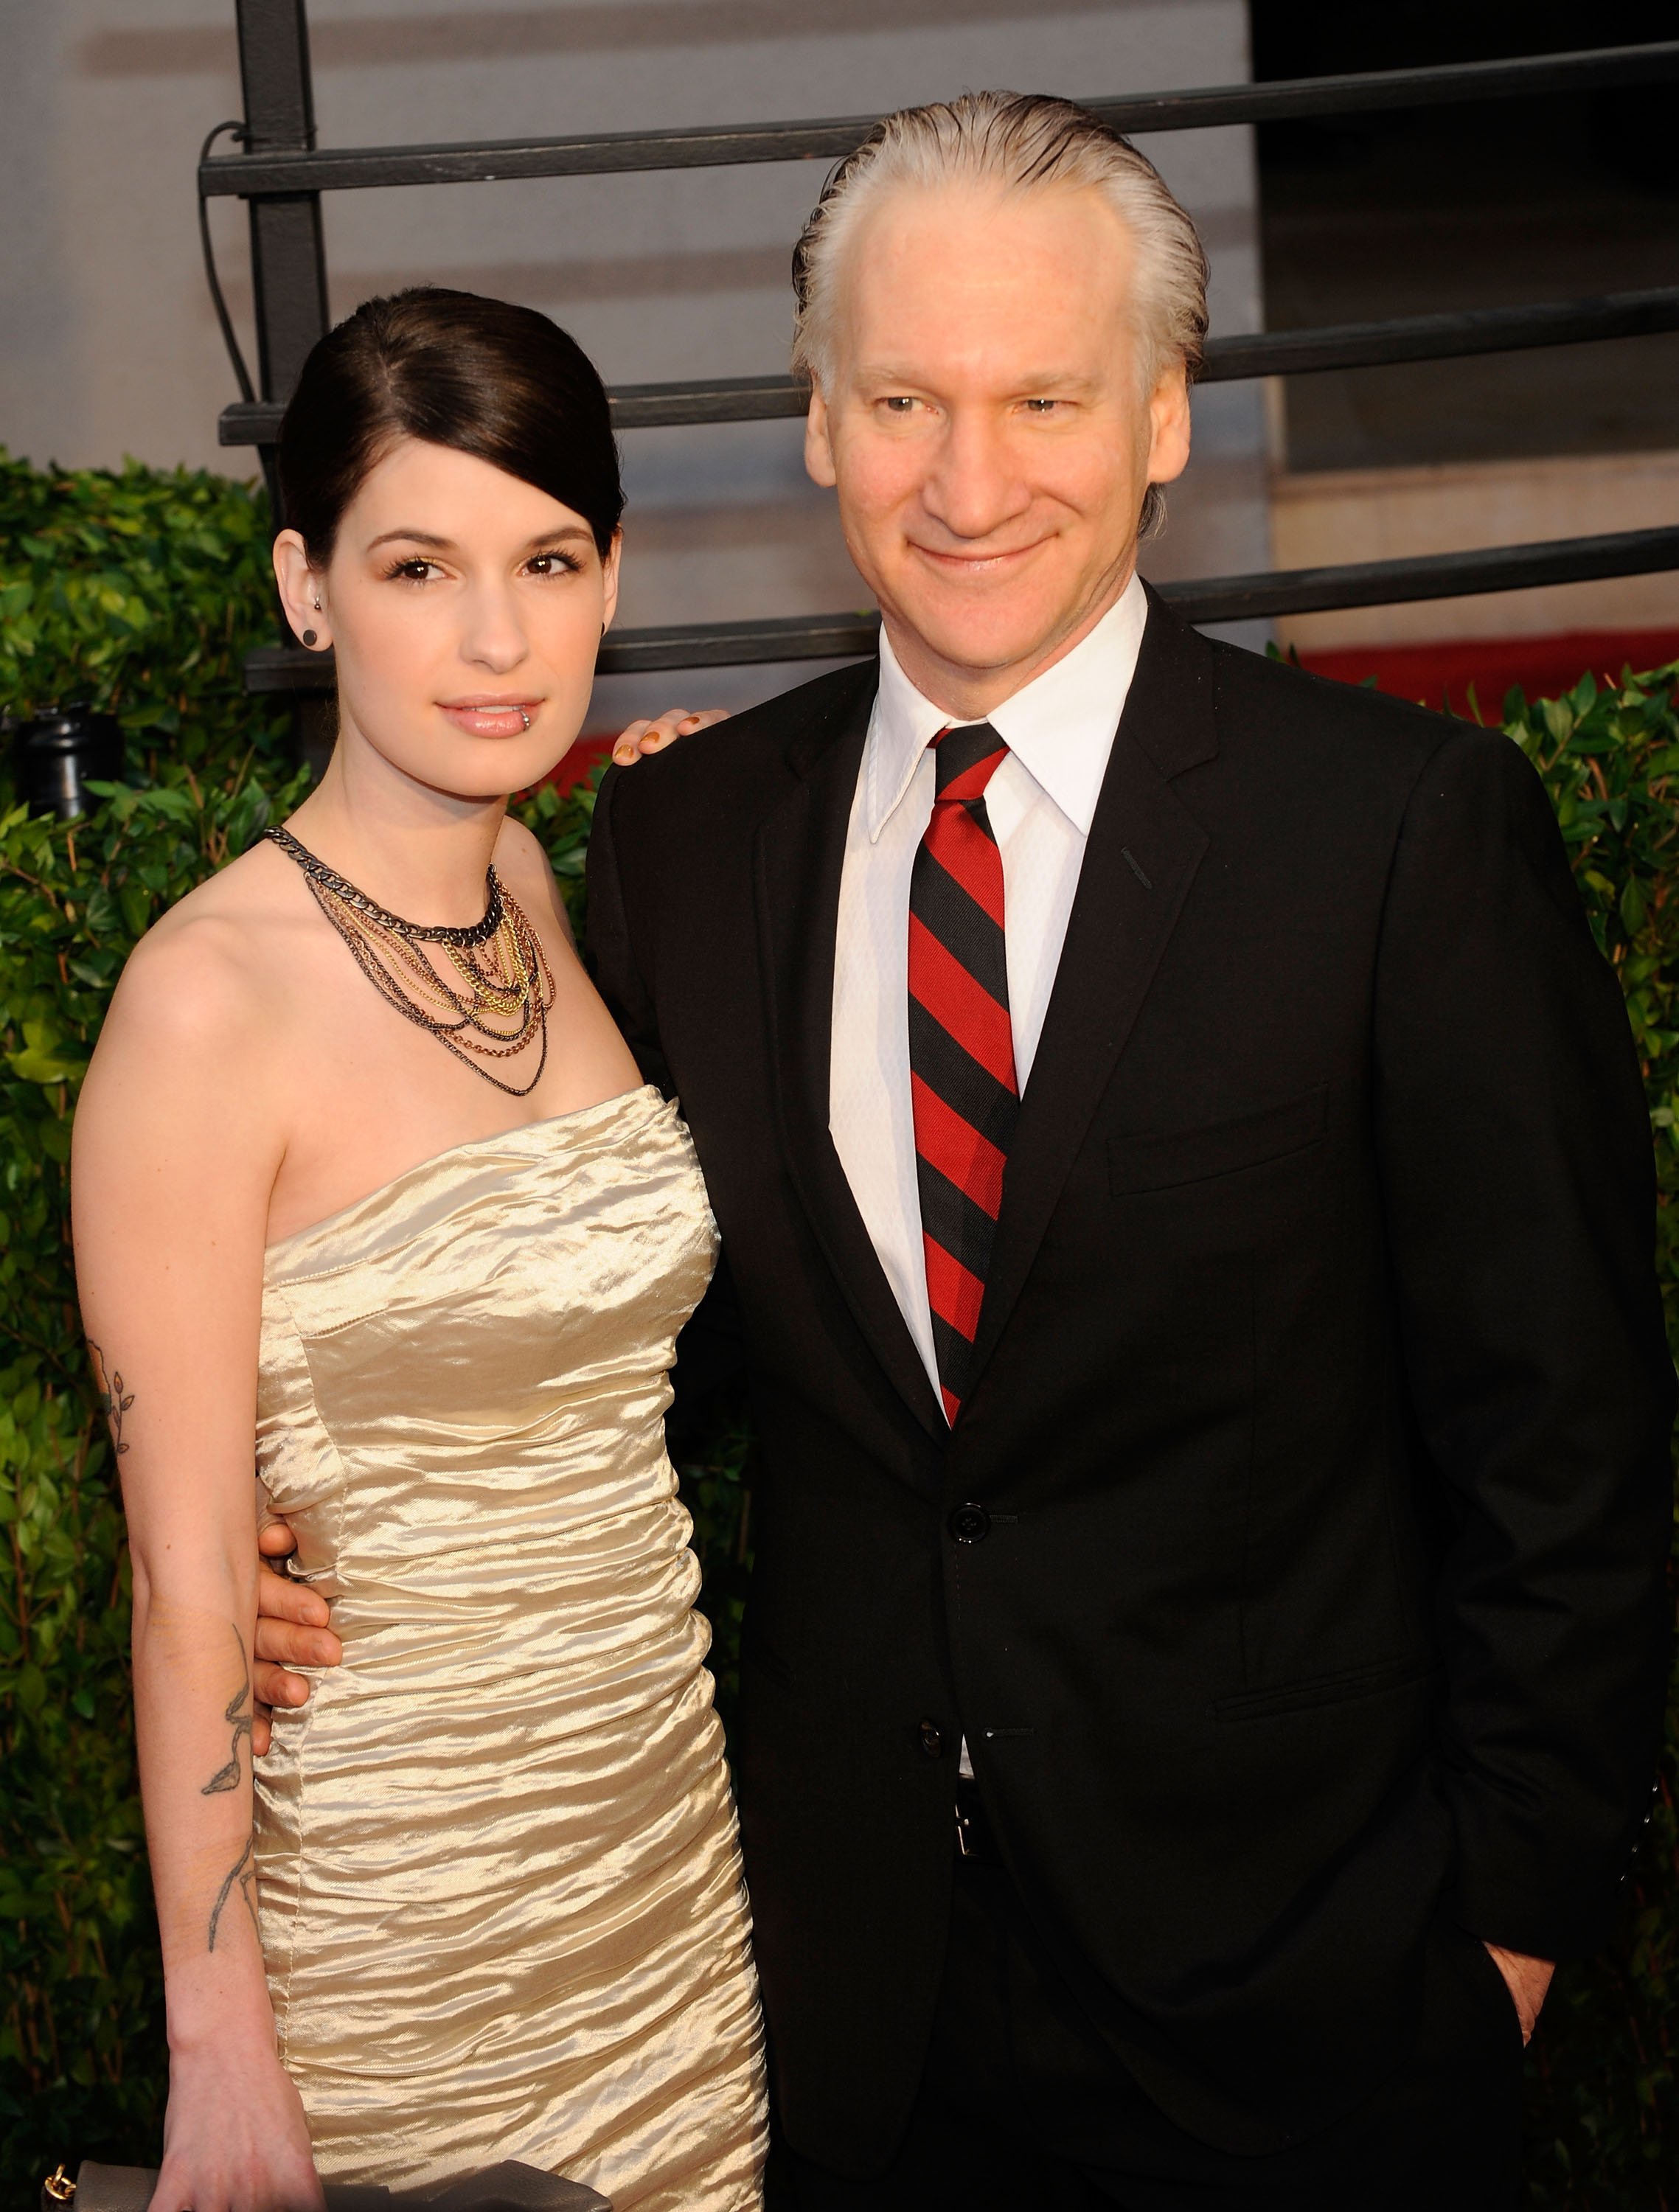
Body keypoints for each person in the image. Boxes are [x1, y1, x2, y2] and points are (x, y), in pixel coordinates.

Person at [257, 95, 1675, 2209]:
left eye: (1044, 397)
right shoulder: (685, 838)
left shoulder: (1395, 840)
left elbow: (1567, 1454)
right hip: (852, 2035)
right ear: (820, 423)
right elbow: (657, 1347)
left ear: (1169, 416)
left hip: (1316, 2037)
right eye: (904, 397)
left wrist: (1503, 1962)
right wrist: (326, 1536)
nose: (971, 478)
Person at [73, 288, 765, 2212]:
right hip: (403, 1922)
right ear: (307, 588)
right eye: (415, 564)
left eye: (548, 559)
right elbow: (190, 1577)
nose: (495, 637)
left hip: (660, 1870)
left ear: (613, 572)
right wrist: (222, 2058)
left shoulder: (552, 888)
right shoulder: (205, 1006)